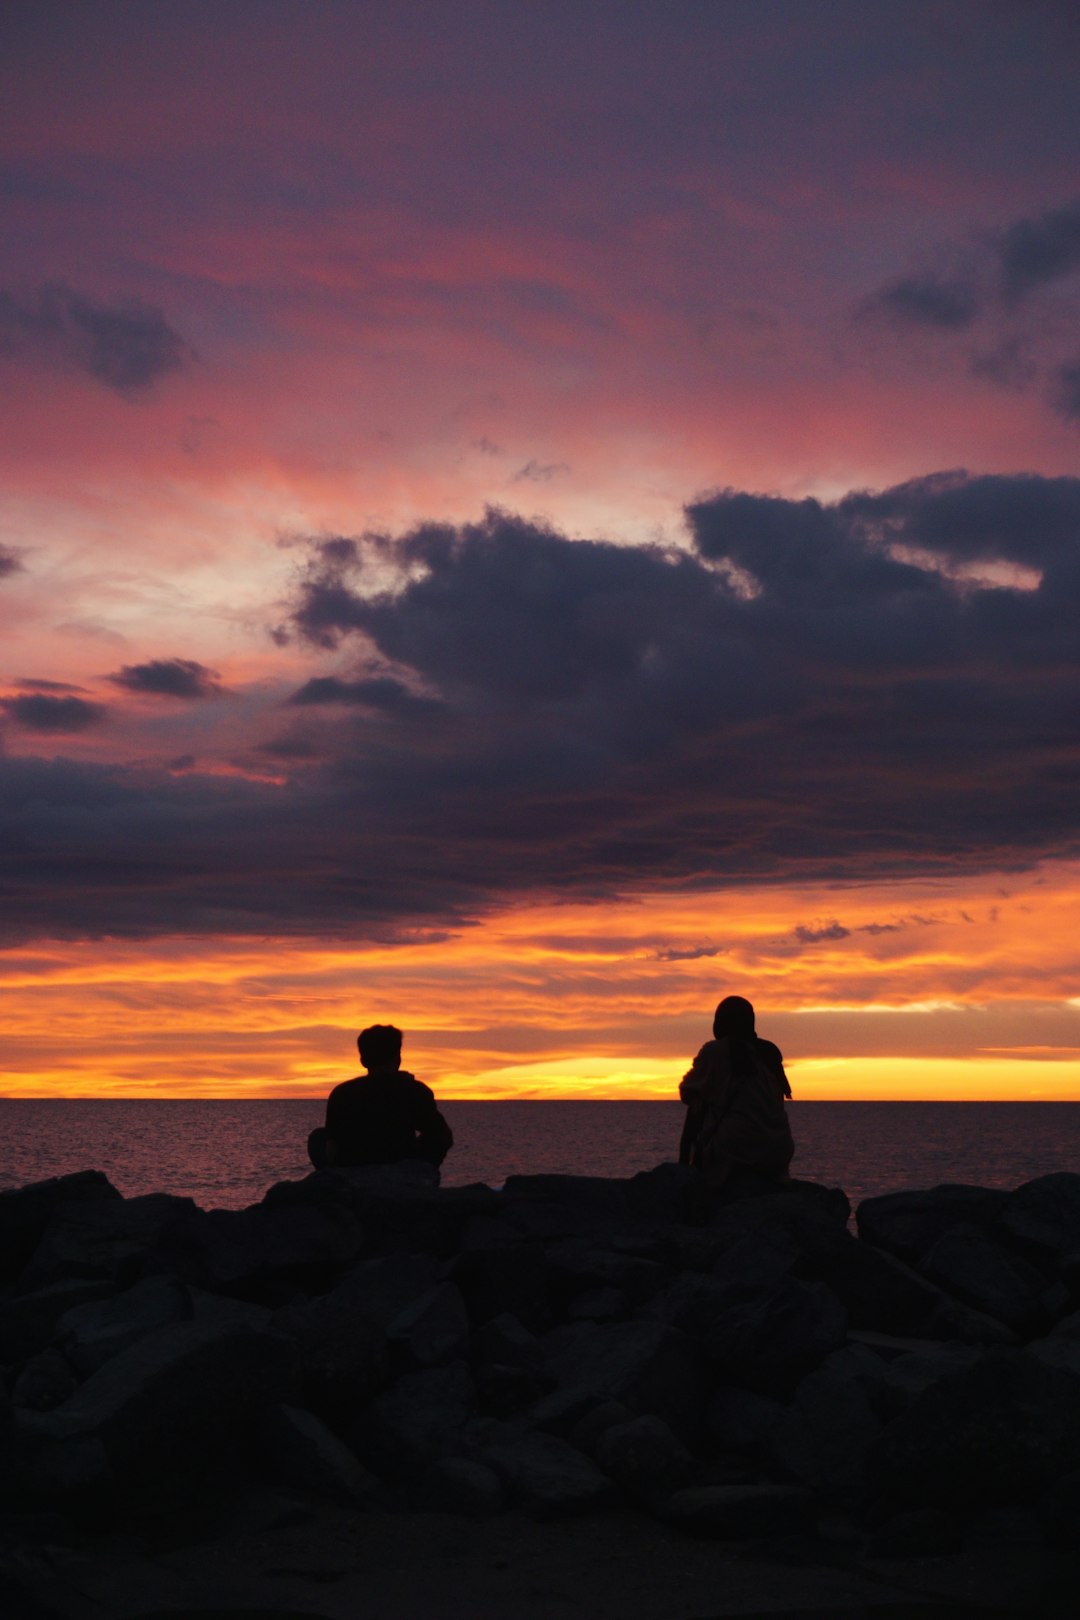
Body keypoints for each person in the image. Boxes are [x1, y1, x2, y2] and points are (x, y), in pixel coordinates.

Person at [678, 995, 793, 1185]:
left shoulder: (716, 1051)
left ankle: (684, 1170)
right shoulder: (769, 1052)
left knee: (698, 1102)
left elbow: (688, 1092)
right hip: (779, 1152)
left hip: (738, 1150)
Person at [307, 1024, 453, 1171]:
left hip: (353, 1169)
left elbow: (332, 1146)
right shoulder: (414, 1090)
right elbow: (442, 1136)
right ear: (398, 1057)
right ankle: (419, 1175)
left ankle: (336, 1177)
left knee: (318, 1137)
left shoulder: (341, 1093)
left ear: (363, 1060)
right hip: (401, 1168)